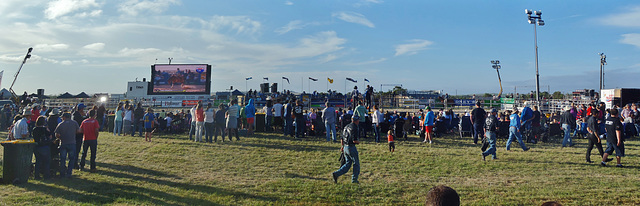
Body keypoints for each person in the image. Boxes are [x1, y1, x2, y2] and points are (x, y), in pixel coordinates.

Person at [332, 115, 361, 184]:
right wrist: (358, 142)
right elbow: (354, 140)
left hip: (345, 147)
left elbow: (342, 137)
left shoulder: (346, 126)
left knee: (348, 164)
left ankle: (336, 174)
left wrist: (342, 146)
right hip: (351, 147)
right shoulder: (354, 127)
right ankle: (354, 180)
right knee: (356, 164)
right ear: (356, 120)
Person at [55, 112, 80, 178]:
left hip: (63, 143)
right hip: (72, 143)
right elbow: (78, 131)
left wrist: (60, 138)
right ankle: (69, 173)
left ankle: (62, 173)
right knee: (71, 159)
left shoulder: (60, 124)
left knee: (63, 159)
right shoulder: (74, 123)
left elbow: (57, 134)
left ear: (64, 117)